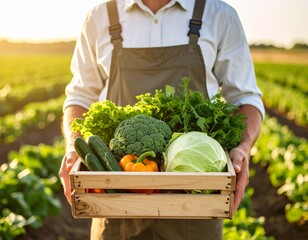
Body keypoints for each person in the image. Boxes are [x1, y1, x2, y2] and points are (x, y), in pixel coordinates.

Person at [59, 0, 264, 239]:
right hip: (114, 206)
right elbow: (80, 97)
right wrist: (74, 144)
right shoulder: (99, 17)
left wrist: (244, 146)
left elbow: (245, 98)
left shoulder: (219, 16)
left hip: (196, 208)